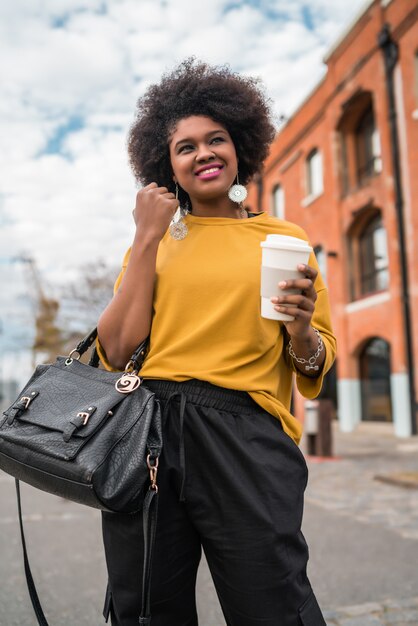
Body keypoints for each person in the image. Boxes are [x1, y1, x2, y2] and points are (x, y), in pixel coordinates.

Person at [97, 59, 336, 626]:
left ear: (239, 148)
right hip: (147, 433)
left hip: (246, 434)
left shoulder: (283, 238)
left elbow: (315, 363)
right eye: (185, 147)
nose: (203, 153)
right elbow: (114, 350)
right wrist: (147, 235)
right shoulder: (150, 245)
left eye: (216, 139)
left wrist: (300, 329)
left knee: (273, 605)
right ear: (167, 165)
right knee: (147, 609)